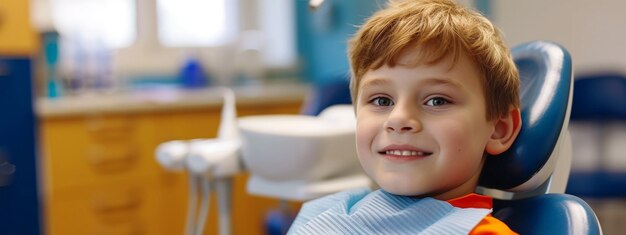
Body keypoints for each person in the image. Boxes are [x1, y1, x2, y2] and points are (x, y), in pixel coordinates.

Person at [288, 0, 522, 234]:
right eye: (382, 101)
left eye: (437, 101)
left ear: (499, 129)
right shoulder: (330, 211)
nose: (398, 119)